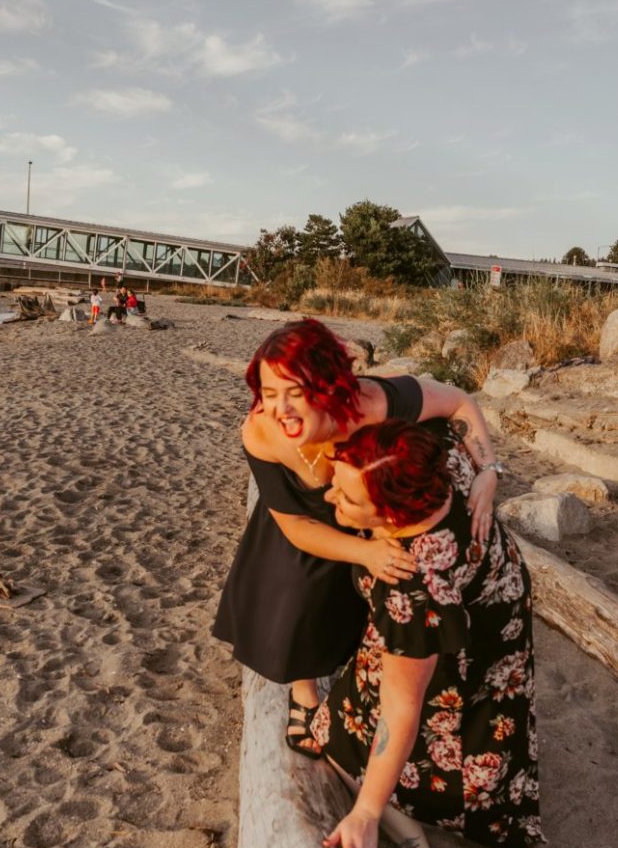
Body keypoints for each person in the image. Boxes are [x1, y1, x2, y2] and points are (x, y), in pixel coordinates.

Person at [213, 318, 503, 758]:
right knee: (296, 588)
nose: (281, 409)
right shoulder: (259, 432)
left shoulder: (374, 404)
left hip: (368, 506)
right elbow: (293, 524)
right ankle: (304, 690)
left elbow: (460, 402)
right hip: (300, 519)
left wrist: (488, 470)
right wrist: (364, 551)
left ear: (330, 387)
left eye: (297, 392)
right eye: (270, 394)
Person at [312, 419, 541, 848]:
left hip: (458, 599)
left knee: (337, 730)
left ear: (394, 516)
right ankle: (508, 830)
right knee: (497, 699)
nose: (331, 498)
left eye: (348, 498)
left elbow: (401, 709)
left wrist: (368, 812)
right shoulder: (434, 456)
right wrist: (489, 469)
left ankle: (415, 826)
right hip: (495, 582)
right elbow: (455, 410)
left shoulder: (415, 589)